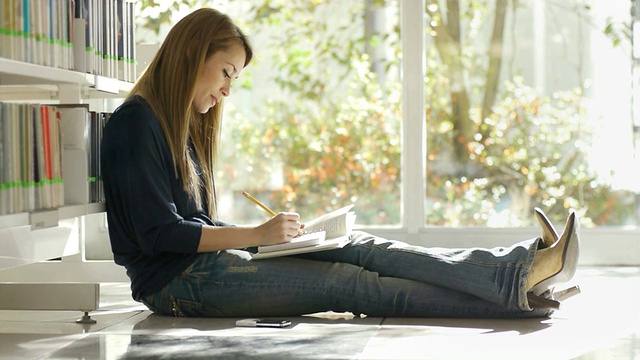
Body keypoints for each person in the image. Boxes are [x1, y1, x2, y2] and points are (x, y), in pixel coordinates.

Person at [101, 8, 580, 319]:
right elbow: (159, 235)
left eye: (234, 78)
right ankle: (519, 291)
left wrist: (273, 242)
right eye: (226, 72)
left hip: (204, 266)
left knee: (362, 246)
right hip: (176, 286)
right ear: (191, 55)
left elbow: (192, 224)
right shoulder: (133, 124)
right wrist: (255, 238)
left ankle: (516, 271)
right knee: (350, 284)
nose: (228, 89)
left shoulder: (174, 124)